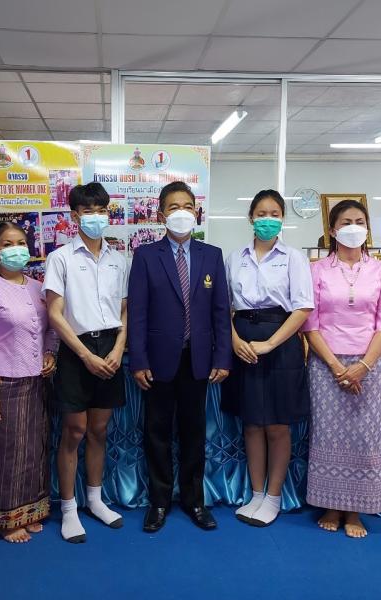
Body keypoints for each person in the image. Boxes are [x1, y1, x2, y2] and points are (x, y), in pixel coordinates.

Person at [128, 181, 232, 533]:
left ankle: (194, 501)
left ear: (197, 213)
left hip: (198, 359)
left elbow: (221, 311)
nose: (182, 213)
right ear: (161, 215)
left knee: (194, 433)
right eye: (173, 207)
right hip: (157, 361)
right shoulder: (145, 256)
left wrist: (223, 357)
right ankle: (159, 502)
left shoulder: (211, 255)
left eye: (187, 206)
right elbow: (138, 313)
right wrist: (139, 360)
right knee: (156, 432)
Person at [302, 199, 381, 538]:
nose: (353, 227)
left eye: (360, 221)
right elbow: (310, 323)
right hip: (325, 364)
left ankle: (355, 509)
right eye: (346, 222)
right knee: (327, 434)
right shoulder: (317, 270)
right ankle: (330, 505)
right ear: (332, 230)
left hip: (368, 365)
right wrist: (335, 366)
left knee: (364, 437)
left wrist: (363, 366)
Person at [223, 190, 314, 527]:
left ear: (282, 219)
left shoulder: (294, 258)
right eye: (261, 213)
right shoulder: (235, 258)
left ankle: (273, 496)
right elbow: (224, 307)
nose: (267, 219)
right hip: (243, 341)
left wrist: (270, 344)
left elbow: (303, 307)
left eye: (274, 213)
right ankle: (256, 493)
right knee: (251, 423)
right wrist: (234, 340)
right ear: (251, 217)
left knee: (277, 423)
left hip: (281, 341)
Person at [43, 182, 128, 543]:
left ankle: (95, 499)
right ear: (75, 215)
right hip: (76, 350)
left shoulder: (119, 259)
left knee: (99, 430)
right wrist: (85, 355)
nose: (96, 217)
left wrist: (119, 348)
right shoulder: (60, 258)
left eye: (102, 210)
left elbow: (124, 311)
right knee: (74, 431)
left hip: (110, 347)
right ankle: (68, 508)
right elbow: (54, 313)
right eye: (88, 211)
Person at [0, 222, 57, 543]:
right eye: (7, 244)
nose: (15, 249)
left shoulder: (38, 288)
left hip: (36, 383)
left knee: (33, 450)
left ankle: (29, 510)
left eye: (20, 242)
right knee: (4, 452)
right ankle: (3, 517)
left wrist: (50, 352)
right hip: (2, 383)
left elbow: (51, 328)